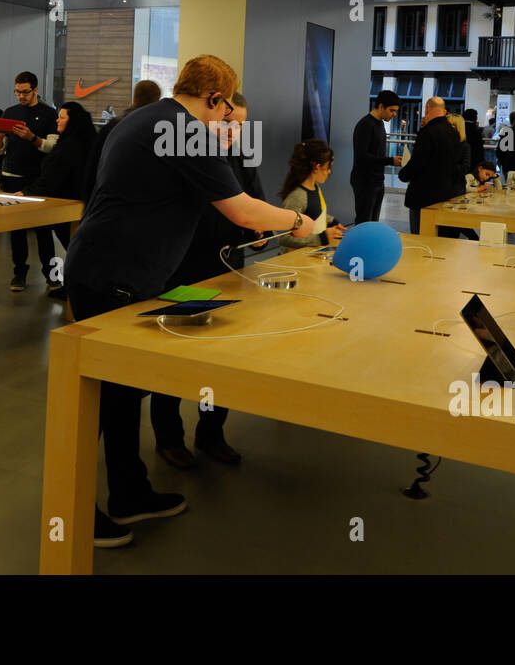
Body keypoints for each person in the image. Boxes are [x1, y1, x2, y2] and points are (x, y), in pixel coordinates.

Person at [64, 54, 316, 548]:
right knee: (99, 399)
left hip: (110, 267)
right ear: (216, 98)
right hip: (112, 272)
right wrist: (297, 223)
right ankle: (73, 513)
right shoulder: (185, 129)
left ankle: (129, 493)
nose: (227, 126)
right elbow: (242, 211)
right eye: (225, 115)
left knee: (121, 393)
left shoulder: (146, 115)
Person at [150, 93, 265, 469]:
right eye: (229, 123)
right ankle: (168, 438)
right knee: (173, 358)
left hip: (229, 270)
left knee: (222, 357)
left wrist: (261, 228)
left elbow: (255, 204)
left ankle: (211, 432)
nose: (235, 132)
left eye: (241, 126)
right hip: (184, 270)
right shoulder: (186, 152)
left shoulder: (243, 153)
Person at [16, 101, 96, 299]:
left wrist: (28, 192)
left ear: (72, 121)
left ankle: (77, 291)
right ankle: (74, 287)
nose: (57, 120)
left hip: (66, 204)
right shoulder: (83, 141)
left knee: (75, 248)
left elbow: (54, 176)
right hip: (80, 203)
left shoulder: (71, 146)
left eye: (62, 117)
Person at [0, 72, 59, 292]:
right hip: (11, 176)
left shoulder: (49, 114)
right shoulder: (10, 113)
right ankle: (18, 274)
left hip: (37, 179)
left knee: (43, 230)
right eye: (18, 91)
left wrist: (31, 137)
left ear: (35, 90)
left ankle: (51, 276)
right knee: (17, 231)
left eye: (25, 92)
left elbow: (52, 147)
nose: (21, 96)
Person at [82, 80, 162, 202]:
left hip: (109, 198)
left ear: (134, 99)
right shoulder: (159, 131)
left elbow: (94, 165)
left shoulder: (114, 126)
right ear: (157, 100)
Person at [399, 96, 464, 236]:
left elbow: (418, 162)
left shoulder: (428, 132)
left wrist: (403, 175)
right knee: (441, 241)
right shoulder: (454, 133)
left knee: (421, 238)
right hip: (446, 194)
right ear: (444, 111)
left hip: (423, 196)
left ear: (427, 108)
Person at [279, 139, 346, 250]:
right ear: (316, 167)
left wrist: (332, 221)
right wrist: (321, 238)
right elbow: (283, 238)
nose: (329, 171)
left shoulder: (315, 187)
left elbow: (314, 214)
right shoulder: (297, 197)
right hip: (296, 261)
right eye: (328, 167)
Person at [350, 90, 403, 224]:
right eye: (391, 110)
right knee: (364, 222)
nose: (394, 114)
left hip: (377, 180)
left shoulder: (379, 124)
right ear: (380, 107)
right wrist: (390, 160)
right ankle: (360, 245)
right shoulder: (365, 125)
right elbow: (362, 157)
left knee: (373, 223)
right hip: (365, 181)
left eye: (395, 111)